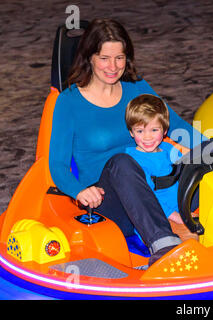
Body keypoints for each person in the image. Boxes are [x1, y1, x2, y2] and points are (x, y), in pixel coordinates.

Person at [49, 18, 204, 268]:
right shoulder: (69, 102)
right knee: (123, 161)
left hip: (153, 186)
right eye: (104, 58)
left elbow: (175, 125)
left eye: (119, 58)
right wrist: (79, 190)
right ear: (89, 57)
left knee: (200, 168)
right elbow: (57, 165)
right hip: (108, 202)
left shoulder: (136, 87)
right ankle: (163, 245)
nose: (113, 66)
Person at [124, 94, 185, 225]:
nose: (147, 137)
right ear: (131, 132)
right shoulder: (132, 161)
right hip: (156, 218)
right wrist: (174, 216)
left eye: (154, 130)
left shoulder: (169, 149)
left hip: (181, 209)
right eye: (140, 131)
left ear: (164, 131)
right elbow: (146, 197)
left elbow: (185, 172)